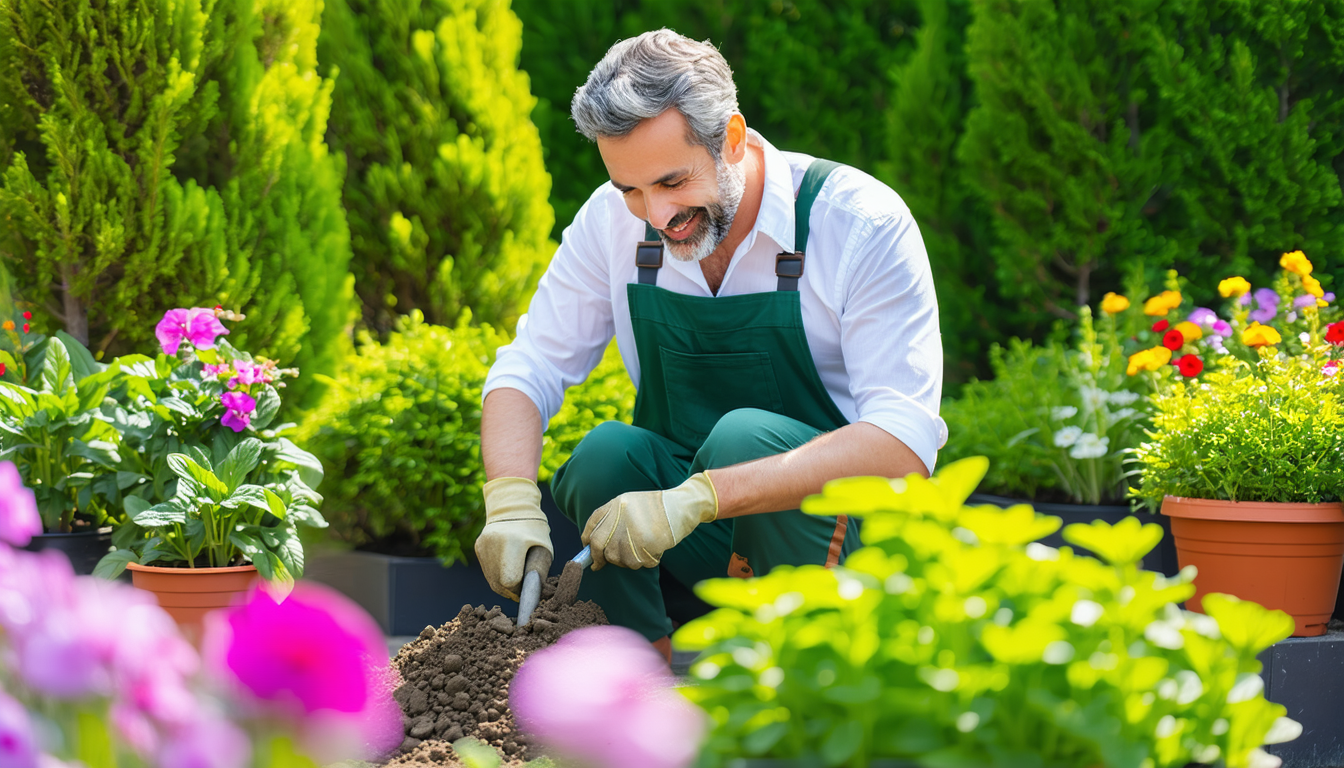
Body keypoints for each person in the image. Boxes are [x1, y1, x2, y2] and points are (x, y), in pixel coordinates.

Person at [475, 29, 946, 658]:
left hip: (853, 549)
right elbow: (528, 367)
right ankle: (636, 697)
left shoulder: (858, 222)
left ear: (731, 137)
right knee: (604, 459)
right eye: (632, 189)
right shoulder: (615, 222)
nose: (656, 214)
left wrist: (703, 497)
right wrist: (509, 500)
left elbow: (903, 440)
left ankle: (812, 684)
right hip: (708, 542)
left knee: (742, 438)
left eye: (673, 181)